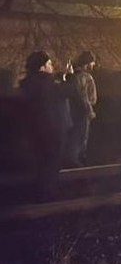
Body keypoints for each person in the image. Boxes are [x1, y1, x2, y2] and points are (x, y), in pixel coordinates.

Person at [19, 51, 75, 201]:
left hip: (35, 130)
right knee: (52, 163)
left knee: (40, 163)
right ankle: (47, 196)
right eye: (49, 64)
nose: (51, 67)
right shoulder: (48, 83)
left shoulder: (26, 84)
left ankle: (39, 193)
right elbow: (70, 91)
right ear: (42, 67)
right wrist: (69, 76)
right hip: (54, 131)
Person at [66, 50, 98, 167]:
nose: (94, 65)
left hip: (72, 113)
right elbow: (88, 97)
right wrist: (90, 110)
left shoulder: (72, 77)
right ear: (88, 63)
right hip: (83, 114)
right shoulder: (86, 77)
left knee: (74, 139)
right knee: (81, 140)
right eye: (92, 62)